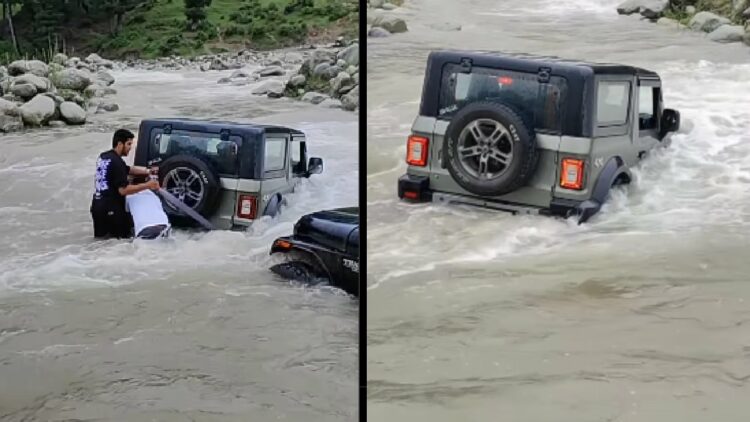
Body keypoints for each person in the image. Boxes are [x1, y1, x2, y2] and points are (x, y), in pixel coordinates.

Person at [90, 129, 159, 239]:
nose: (130, 148)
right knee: (119, 242)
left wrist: (147, 171)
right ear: (120, 144)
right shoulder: (117, 162)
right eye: (128, 144)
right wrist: (148, 185)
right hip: (111, 209)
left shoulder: (104, 157)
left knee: (101, 242)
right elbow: (124, 190)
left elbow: (127, 169)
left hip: (97, 206)